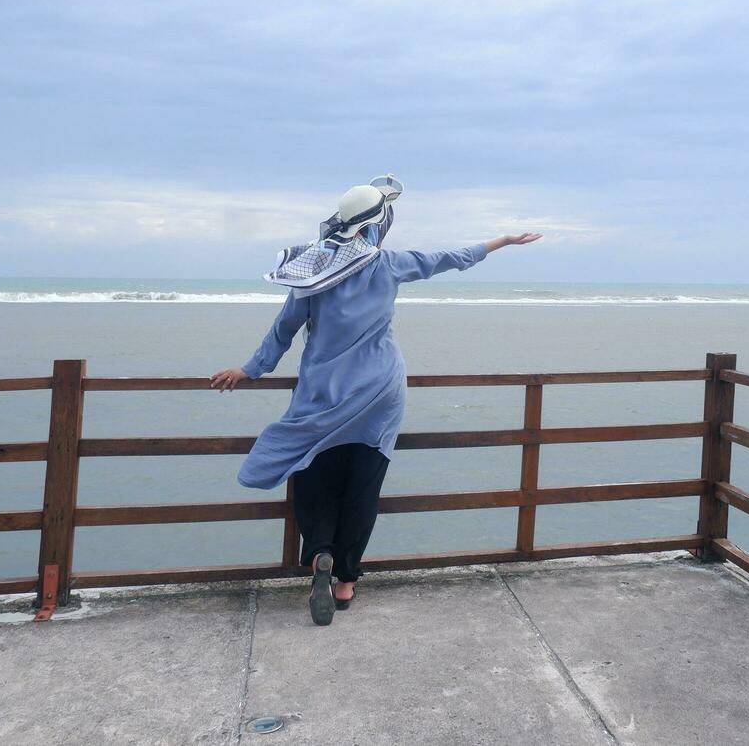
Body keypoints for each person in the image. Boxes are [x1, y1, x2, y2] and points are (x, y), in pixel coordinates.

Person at [211, 175, 541, 626]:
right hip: (379, 394)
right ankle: (346, 581)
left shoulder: (313, 271)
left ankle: (320, 553)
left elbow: (283, 330)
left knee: (312, 474)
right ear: (376, 225)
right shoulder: (388, 264)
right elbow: (449, 258)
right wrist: (501, 241)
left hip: (321, 395)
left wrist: (250, 369)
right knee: (363, 486)